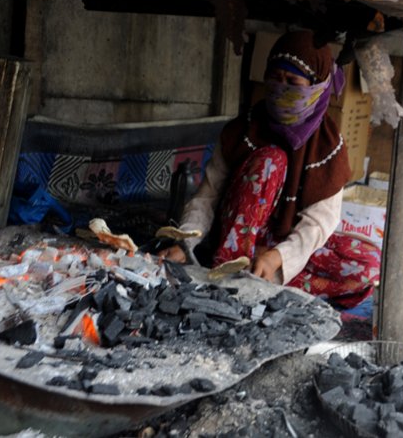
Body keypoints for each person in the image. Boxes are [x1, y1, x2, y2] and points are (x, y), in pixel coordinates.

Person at [160, 30, 380, 308]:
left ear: (317, 87)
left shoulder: (328, 145)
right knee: (271, 161)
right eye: (275, 78)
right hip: (233, 236)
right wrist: (186, 243)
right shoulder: (243, 130)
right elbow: (207, 196)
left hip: (279, 243)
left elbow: (318, 224)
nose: (282, 89)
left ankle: (259, 272)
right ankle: (230, 272)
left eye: (292, 82)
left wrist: (278, 257)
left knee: (368, 265)